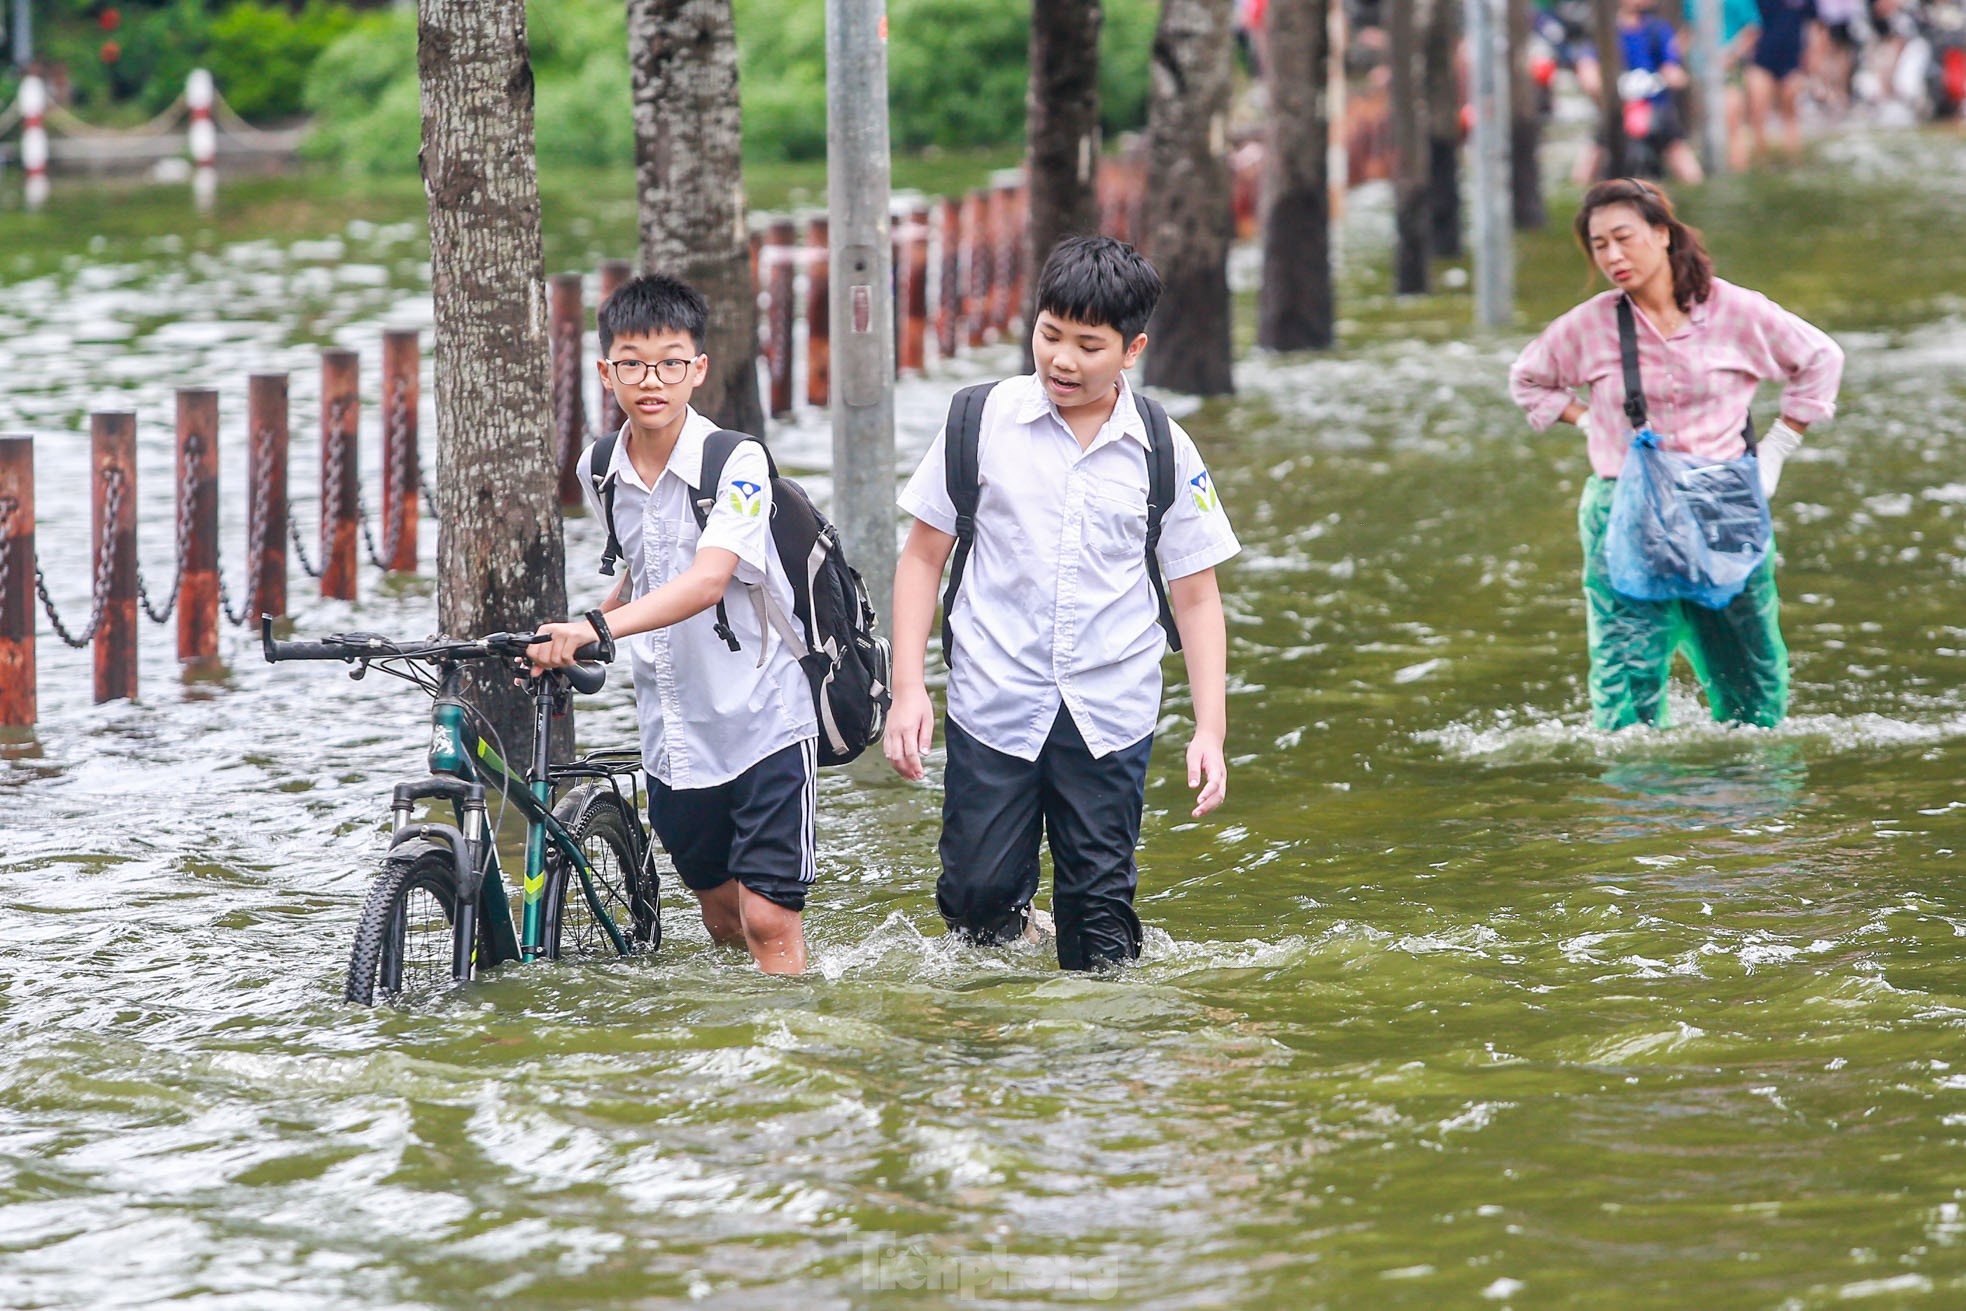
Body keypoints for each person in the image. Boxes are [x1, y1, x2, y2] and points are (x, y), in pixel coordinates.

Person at [884, 236, 1240, 972]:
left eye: (1088, 344)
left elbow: (1197, 597)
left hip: (1110, 707)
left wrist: (1211, 729)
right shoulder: (978, 422)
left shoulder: (1163, 449)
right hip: (993, 695)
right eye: (1050, 335)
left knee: (1100, 922)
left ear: (1132, 348)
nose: (1062, 361)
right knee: (976, 902)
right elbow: (922, 557)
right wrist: (908, 688)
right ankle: (1005, 996)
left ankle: (1094, 1070)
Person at [528, 275, 818, 975]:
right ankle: (732, 1044)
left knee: (768, 916)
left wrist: (600, 624)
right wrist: (583, 623)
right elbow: (645, 568)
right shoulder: (599, 467)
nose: (650, 379)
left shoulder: (738, 462)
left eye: (669, 361)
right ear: (606, 372)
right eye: (631, 362)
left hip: (764, 718)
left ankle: (788, 1054)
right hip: (675, 732)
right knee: (720, 915)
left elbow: (709, 576)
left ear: (698, 370)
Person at [1508, 178, 1844, 731]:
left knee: (1751, 674)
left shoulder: (1735, 310)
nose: (1613, 255)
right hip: (1625, 507)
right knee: (1625, 675)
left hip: (1723, 501)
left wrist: (1779, 446)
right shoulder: (1589, 324)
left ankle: (1750, 800)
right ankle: (1638, 804)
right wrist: (1591, 420)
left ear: (1663, 234)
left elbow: (1821, 358)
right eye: (1599, 245)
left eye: (1625, 237)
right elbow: (1529, 380)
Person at [1574, 0, 1706, 183]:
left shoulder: (1657, 30)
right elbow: (1587, 66)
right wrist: (1594, 81)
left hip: (1656, 107)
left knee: (1681, 155)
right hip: (1618, 108)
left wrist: (1669, 77)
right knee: (1591, 160)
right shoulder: (1605, 33)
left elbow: (1673, 67)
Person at [1748, 0, 1817, 160]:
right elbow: (1749, 23)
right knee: (1758, 112)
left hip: (1792, 61)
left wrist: (1813, 56)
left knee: (1789, 111)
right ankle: (1762, 161)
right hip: (1761, 58)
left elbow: (1814, 25)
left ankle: (1793, 160)